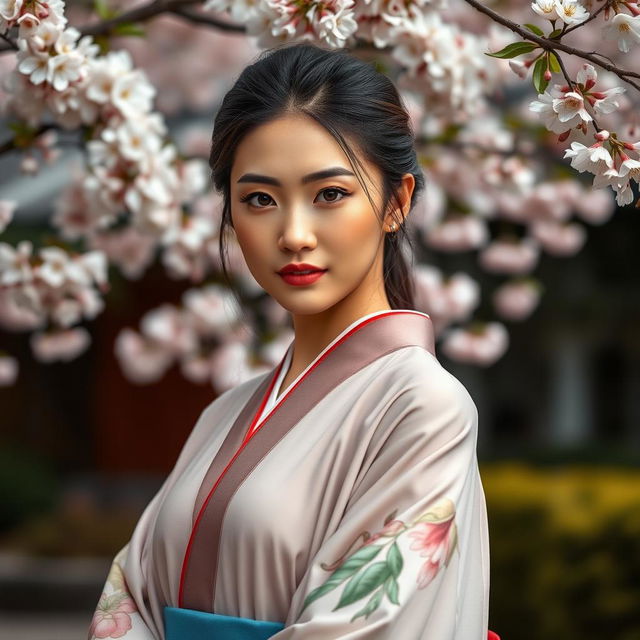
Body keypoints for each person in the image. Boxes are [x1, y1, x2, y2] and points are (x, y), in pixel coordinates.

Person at [88, 42, 501, 640]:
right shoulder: (223, 413)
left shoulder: (423, 406)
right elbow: (130, 594)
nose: (294, 234)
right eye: (259, 200)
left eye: (330, 194)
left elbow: (365, 624)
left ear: (396, 203)